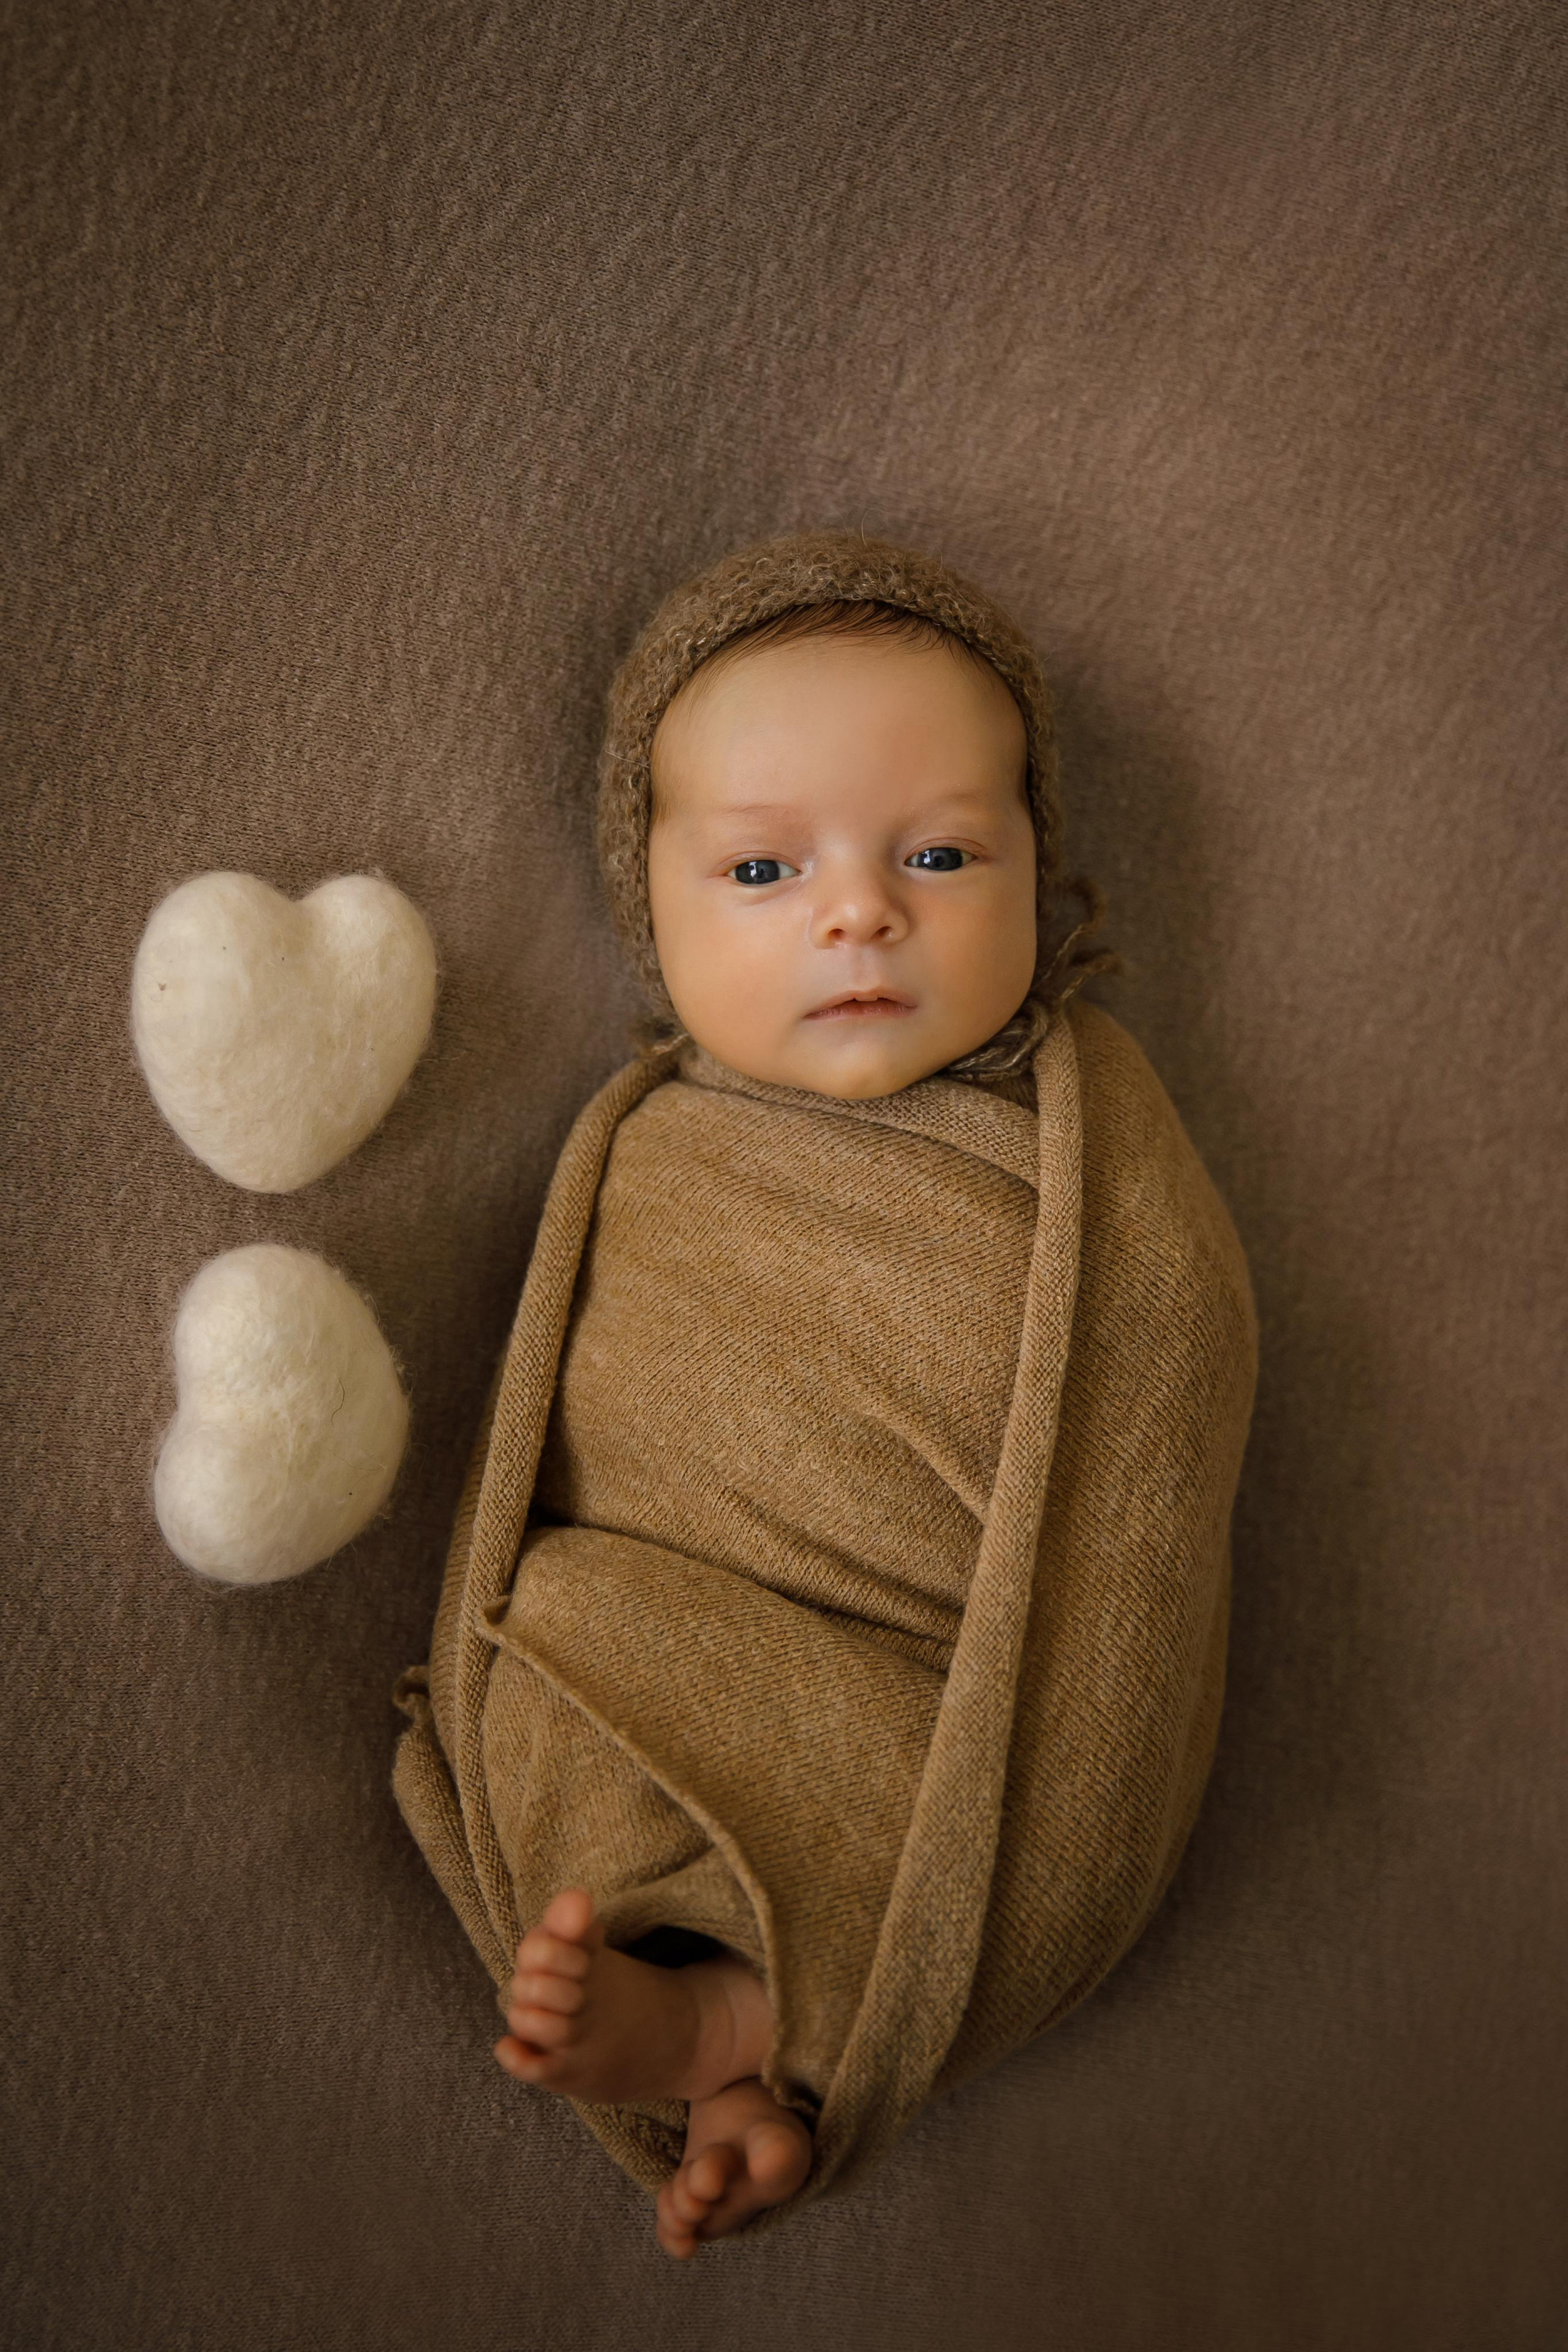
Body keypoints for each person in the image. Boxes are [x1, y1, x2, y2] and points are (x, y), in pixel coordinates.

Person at [393, 532, 1257, 2260]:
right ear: (653, 911)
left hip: (935, 1680)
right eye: (766, 871)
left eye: (938, 851)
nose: (862, 909)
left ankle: (741, 2029)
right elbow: (557, 1443)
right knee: (539, 1679)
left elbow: (1163, 1382)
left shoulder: (1092, 1148)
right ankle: (715, 2029)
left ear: (1042, 877)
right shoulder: (643, 1142)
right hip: (658, 1610)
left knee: (904, 1794)